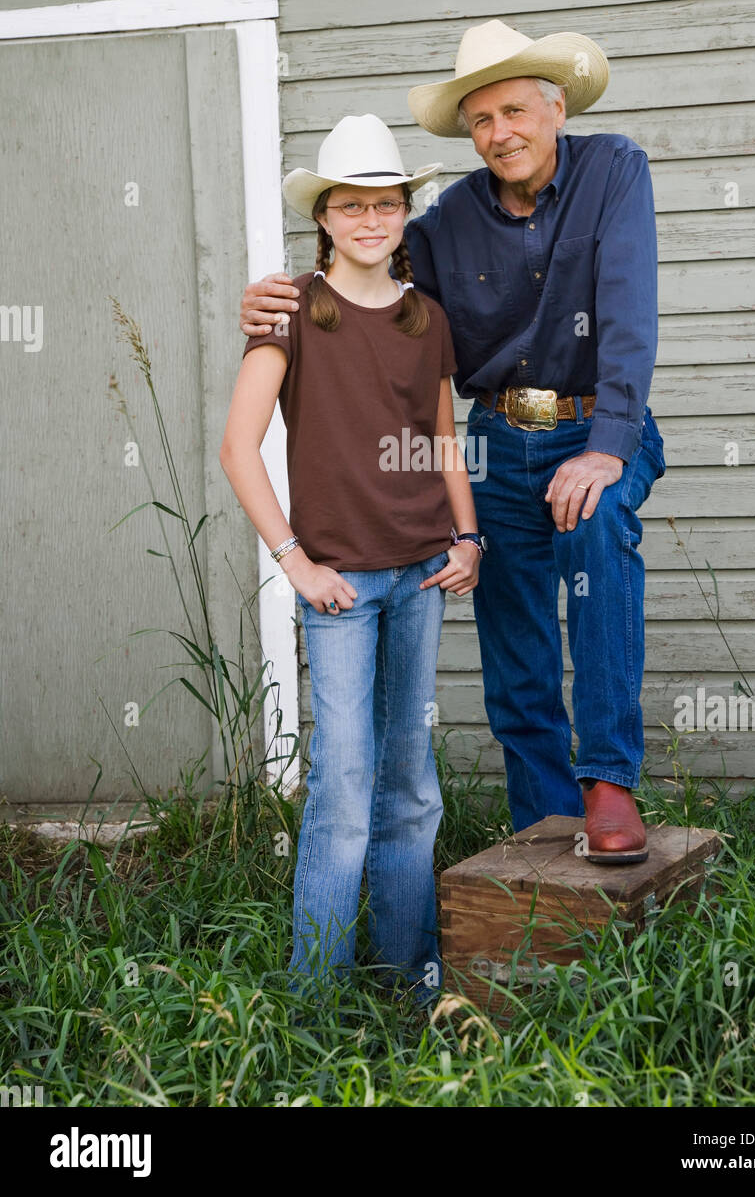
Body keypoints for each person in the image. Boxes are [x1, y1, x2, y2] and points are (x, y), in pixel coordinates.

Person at [239, 21, 666, 865]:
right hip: (502, 437)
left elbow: (628, 312)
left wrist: (607, 443)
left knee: (599, 523)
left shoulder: (614, 169)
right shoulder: (444, 225)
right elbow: (369, 295)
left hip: (599, 423)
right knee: (513, 629)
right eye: (480, 120)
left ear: (555, 108)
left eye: (514, 110)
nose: (499, 132)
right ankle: (546, 820)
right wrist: (282, 297)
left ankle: (608, 778)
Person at [220, 114, 482, 998]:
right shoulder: (293, 311)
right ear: (324, 218)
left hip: (421, 574)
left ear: (404, 213)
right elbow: (237, 446)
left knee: (410, 782)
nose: (371, 219)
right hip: (338, 582)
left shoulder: (424, 318)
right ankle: (317, 995)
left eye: (386, 203)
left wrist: (469, 536)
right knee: (341, 785)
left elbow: (444, 440)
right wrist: (294, 559)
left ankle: (408, 975)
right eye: (351, 206)